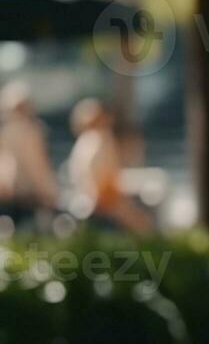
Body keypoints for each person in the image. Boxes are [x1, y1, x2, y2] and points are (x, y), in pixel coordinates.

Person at [66, 98, 152, 233]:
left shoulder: (85, 141)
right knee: (144, 225)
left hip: (89, 201)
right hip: (101, 204)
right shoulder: (100, 140)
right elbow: (101, 184)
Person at [0, 81, 61, 222]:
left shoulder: (6, 131)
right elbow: (37, 166)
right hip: (29, 194)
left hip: (12, 193)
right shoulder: (31, 131)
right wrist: (51, 193)